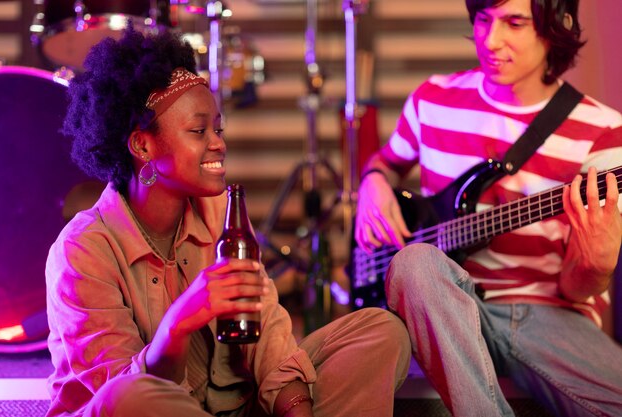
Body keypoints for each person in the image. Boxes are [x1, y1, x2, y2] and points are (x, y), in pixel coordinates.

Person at [45, 26, 412, 417]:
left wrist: (296, 407)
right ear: (142, 145)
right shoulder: (82, 250)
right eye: (199, 131)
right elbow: (123, 390)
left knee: (381, 332)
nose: (218, 143)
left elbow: (267, 327)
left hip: (234, 406)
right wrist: (180, 322)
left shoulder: (222, 210)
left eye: (217, 129)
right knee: (129, 397)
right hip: (146, 405)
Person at [354, 0, 622, 416]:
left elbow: (576, 289)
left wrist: (596, 267)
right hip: (446, 308)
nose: (490, 41)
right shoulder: (432, 99)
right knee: (414, 263)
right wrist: (372, 183)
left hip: (546, 313)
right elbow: (386, 163)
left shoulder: (603, 132)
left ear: (557, 27)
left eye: (514, 23)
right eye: (483, 20)